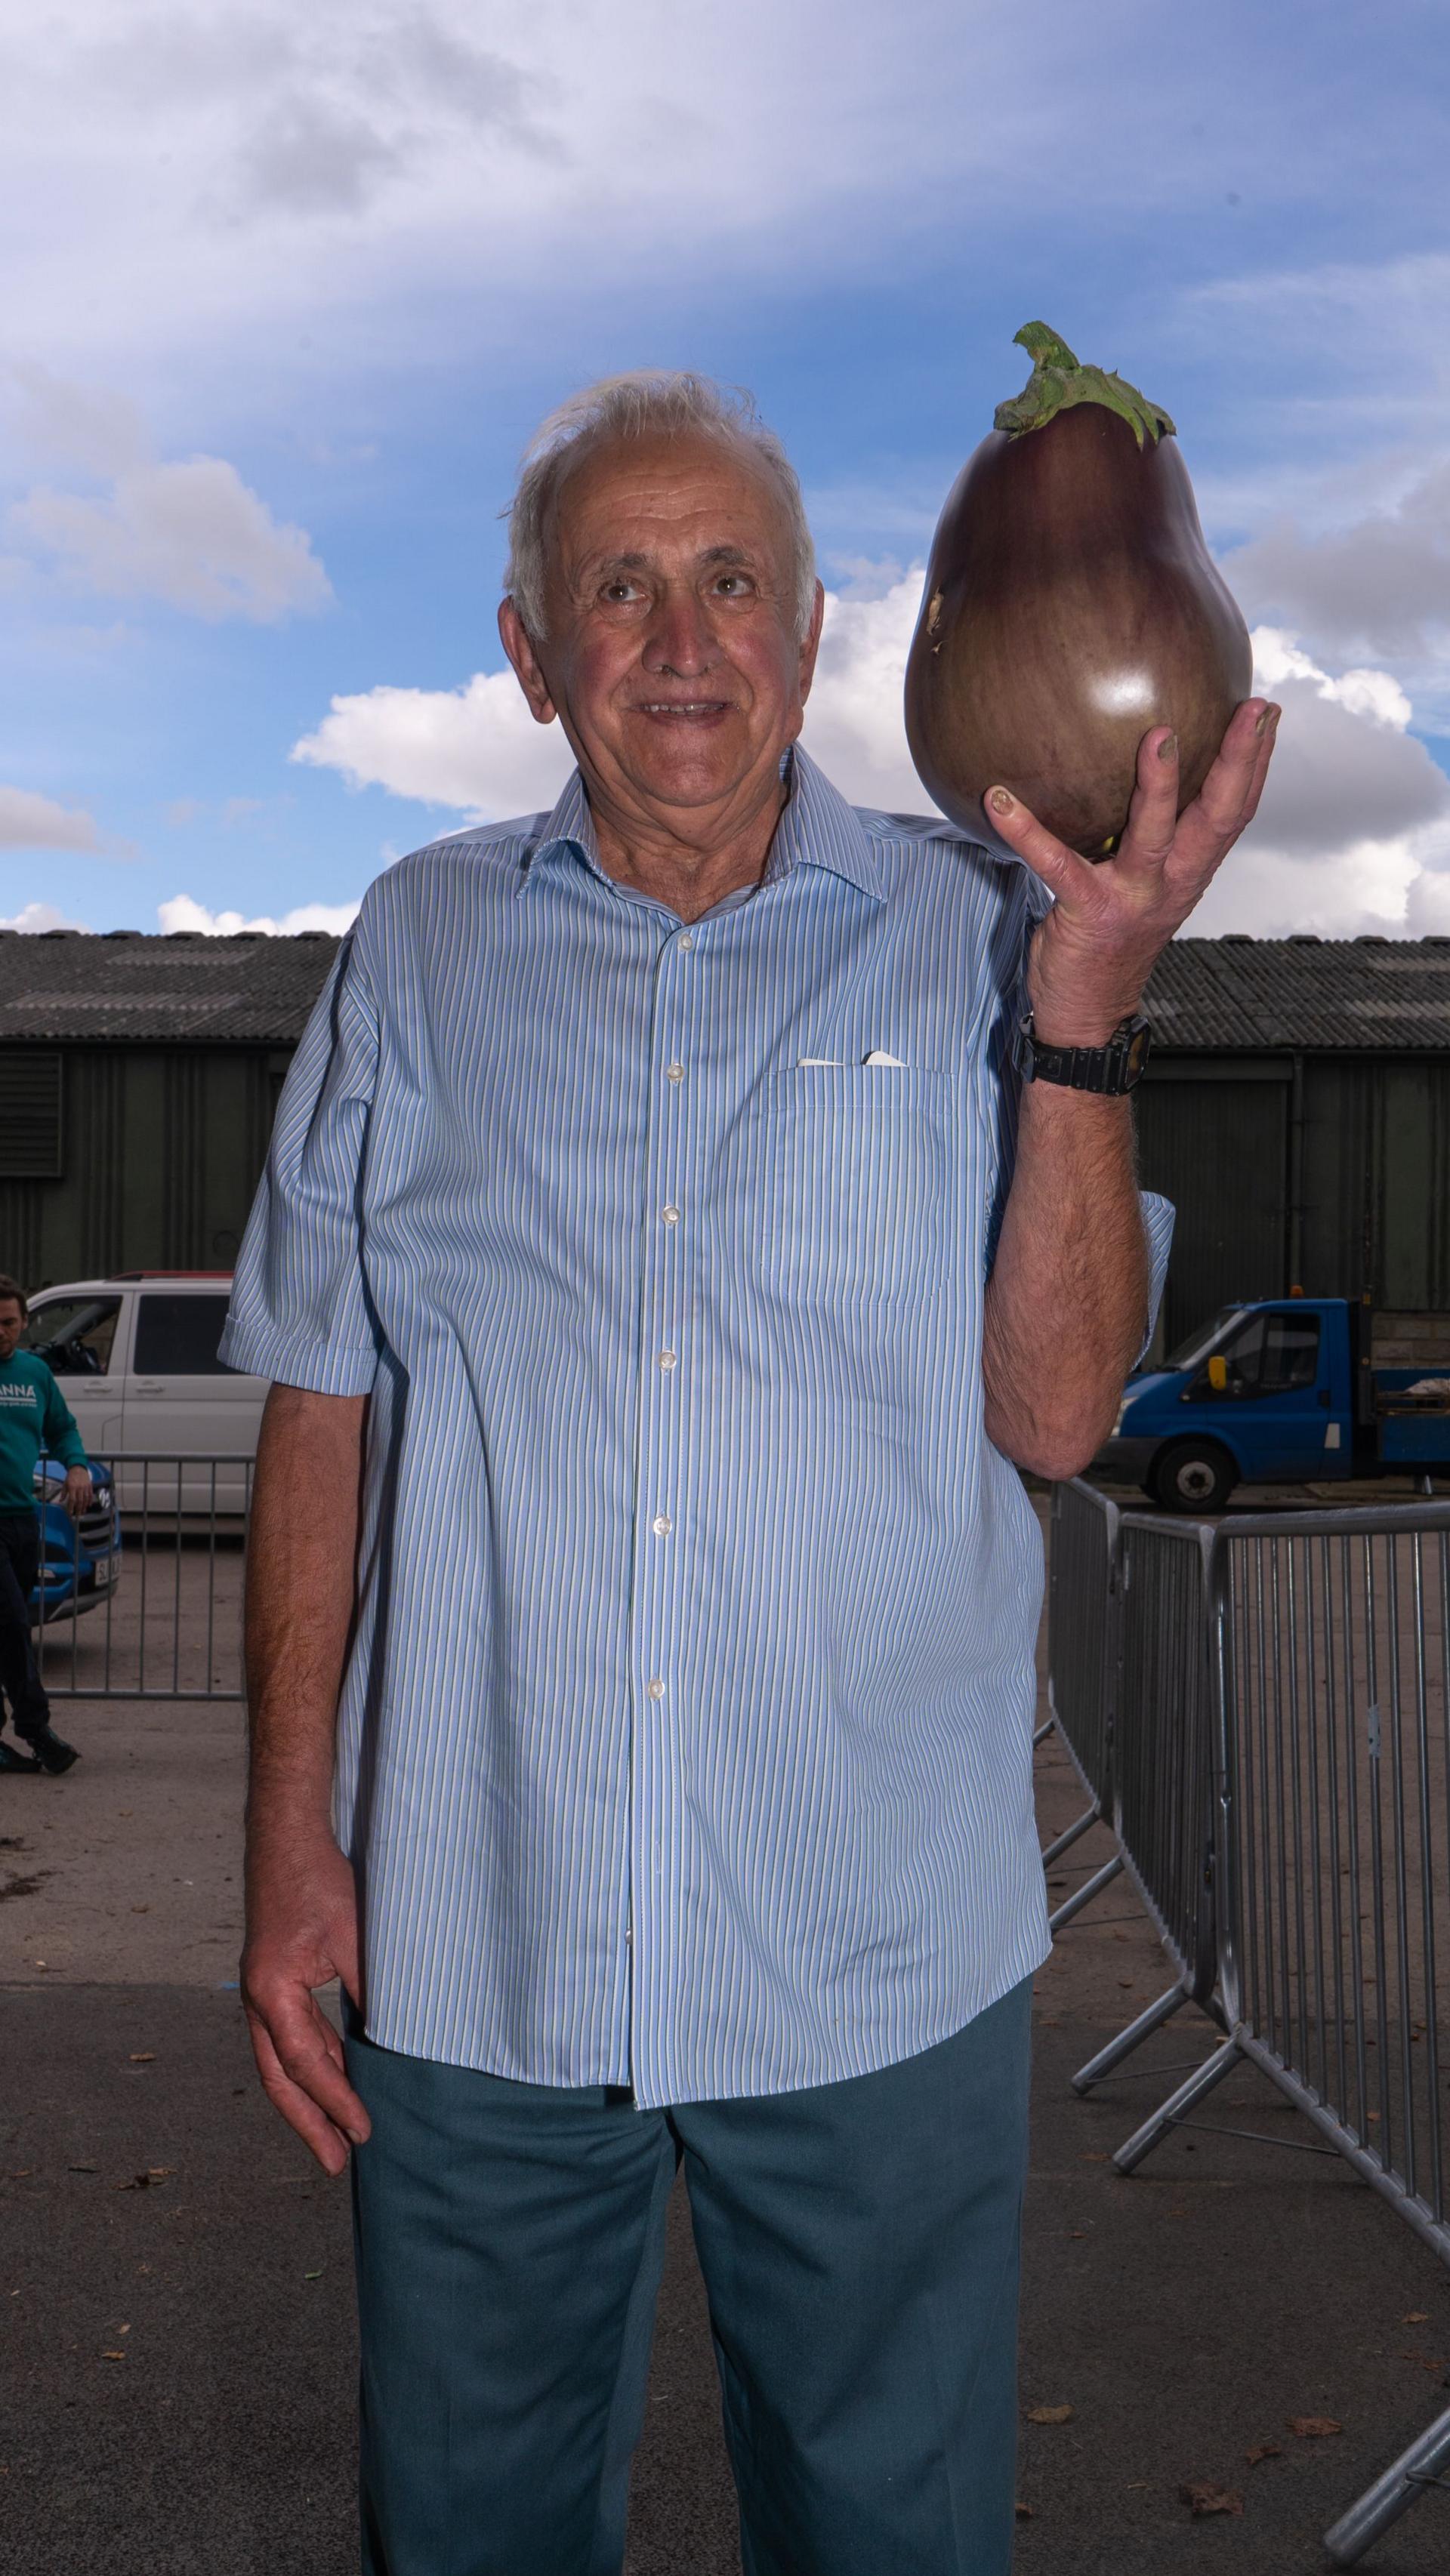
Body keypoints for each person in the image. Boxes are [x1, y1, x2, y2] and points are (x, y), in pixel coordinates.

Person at [224, 370, 1279, 2576]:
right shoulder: (415, 952)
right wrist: (285, 1841)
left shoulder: (981, 937)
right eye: (618, 590)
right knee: (470, 2535)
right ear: (533, 653)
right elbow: (321, 1396)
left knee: (888, 2542)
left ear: (813, 648)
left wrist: (1087, 1002)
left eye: (730, 587)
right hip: (481, 1955)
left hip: (875, 1960)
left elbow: (1060, 1416)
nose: (679, 639)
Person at [0, 1274, 88, 1775]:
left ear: (24, 1322)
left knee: (7, 1627)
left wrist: (75, 1464)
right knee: (11, 1623)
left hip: (21, 1522)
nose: (1, 1332)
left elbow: (62, 1428)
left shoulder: (34, 1374)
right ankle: (36, 1728)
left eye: (9, 1323)